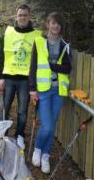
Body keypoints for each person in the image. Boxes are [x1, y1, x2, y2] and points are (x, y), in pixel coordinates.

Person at [29, 12, 72, 173]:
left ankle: (45, 155)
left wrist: (53, 66)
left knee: (51, 125)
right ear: (48, 24)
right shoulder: (39, 42)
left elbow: (68, 68)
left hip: (59, 90)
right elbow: (33, 67)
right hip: (43, 90)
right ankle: (38, 149)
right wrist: (32, 88)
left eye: (59, 24)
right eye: (53, 23)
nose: (56, 26)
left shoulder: (65, 45)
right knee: (46, 126)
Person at [0, 4, 40, 149]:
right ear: (16, 16)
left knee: (22, 110)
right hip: (8, 77)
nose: (22, 17)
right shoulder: (7, 33)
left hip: (25, 79)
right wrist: (0, 77)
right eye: (20, 15)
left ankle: (19, 135)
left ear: (29, 16)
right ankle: (2, 136)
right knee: (4, 108)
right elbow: (1, 56)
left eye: (25, 15)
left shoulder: (37, 35)